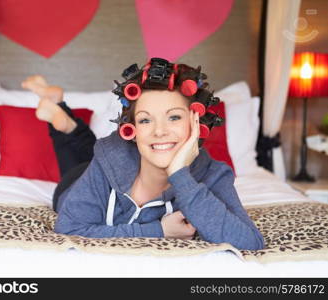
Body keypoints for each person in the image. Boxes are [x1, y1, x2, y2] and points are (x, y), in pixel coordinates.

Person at [22, 58, 265, 250]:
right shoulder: (109, 155)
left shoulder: (213, 175)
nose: (160, 131)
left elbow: (250, 242)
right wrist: (158, 231)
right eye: (146, 120)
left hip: (112, 160)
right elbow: (69, 228)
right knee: (89, 159)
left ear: (195, 120)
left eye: (174, 117)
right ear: (134, 129)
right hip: (76, 181)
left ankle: (61, 113)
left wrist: (181, 175)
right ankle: (62, 118)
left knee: (95, 153)